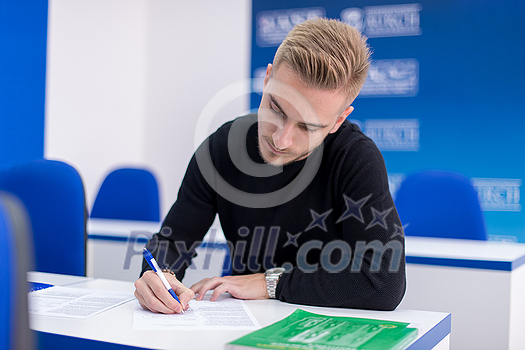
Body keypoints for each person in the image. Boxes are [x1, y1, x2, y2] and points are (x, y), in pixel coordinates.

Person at [134, 17, 406, 314]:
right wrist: (158, 277)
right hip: (240, 325)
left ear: (338, 120)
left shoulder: (355, 159)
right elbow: (174, 241)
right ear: (267, 78)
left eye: (307, 127)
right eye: (276, 108)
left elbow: (384, 283)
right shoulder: (222, 147)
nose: (281, 139)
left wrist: (270, 283)